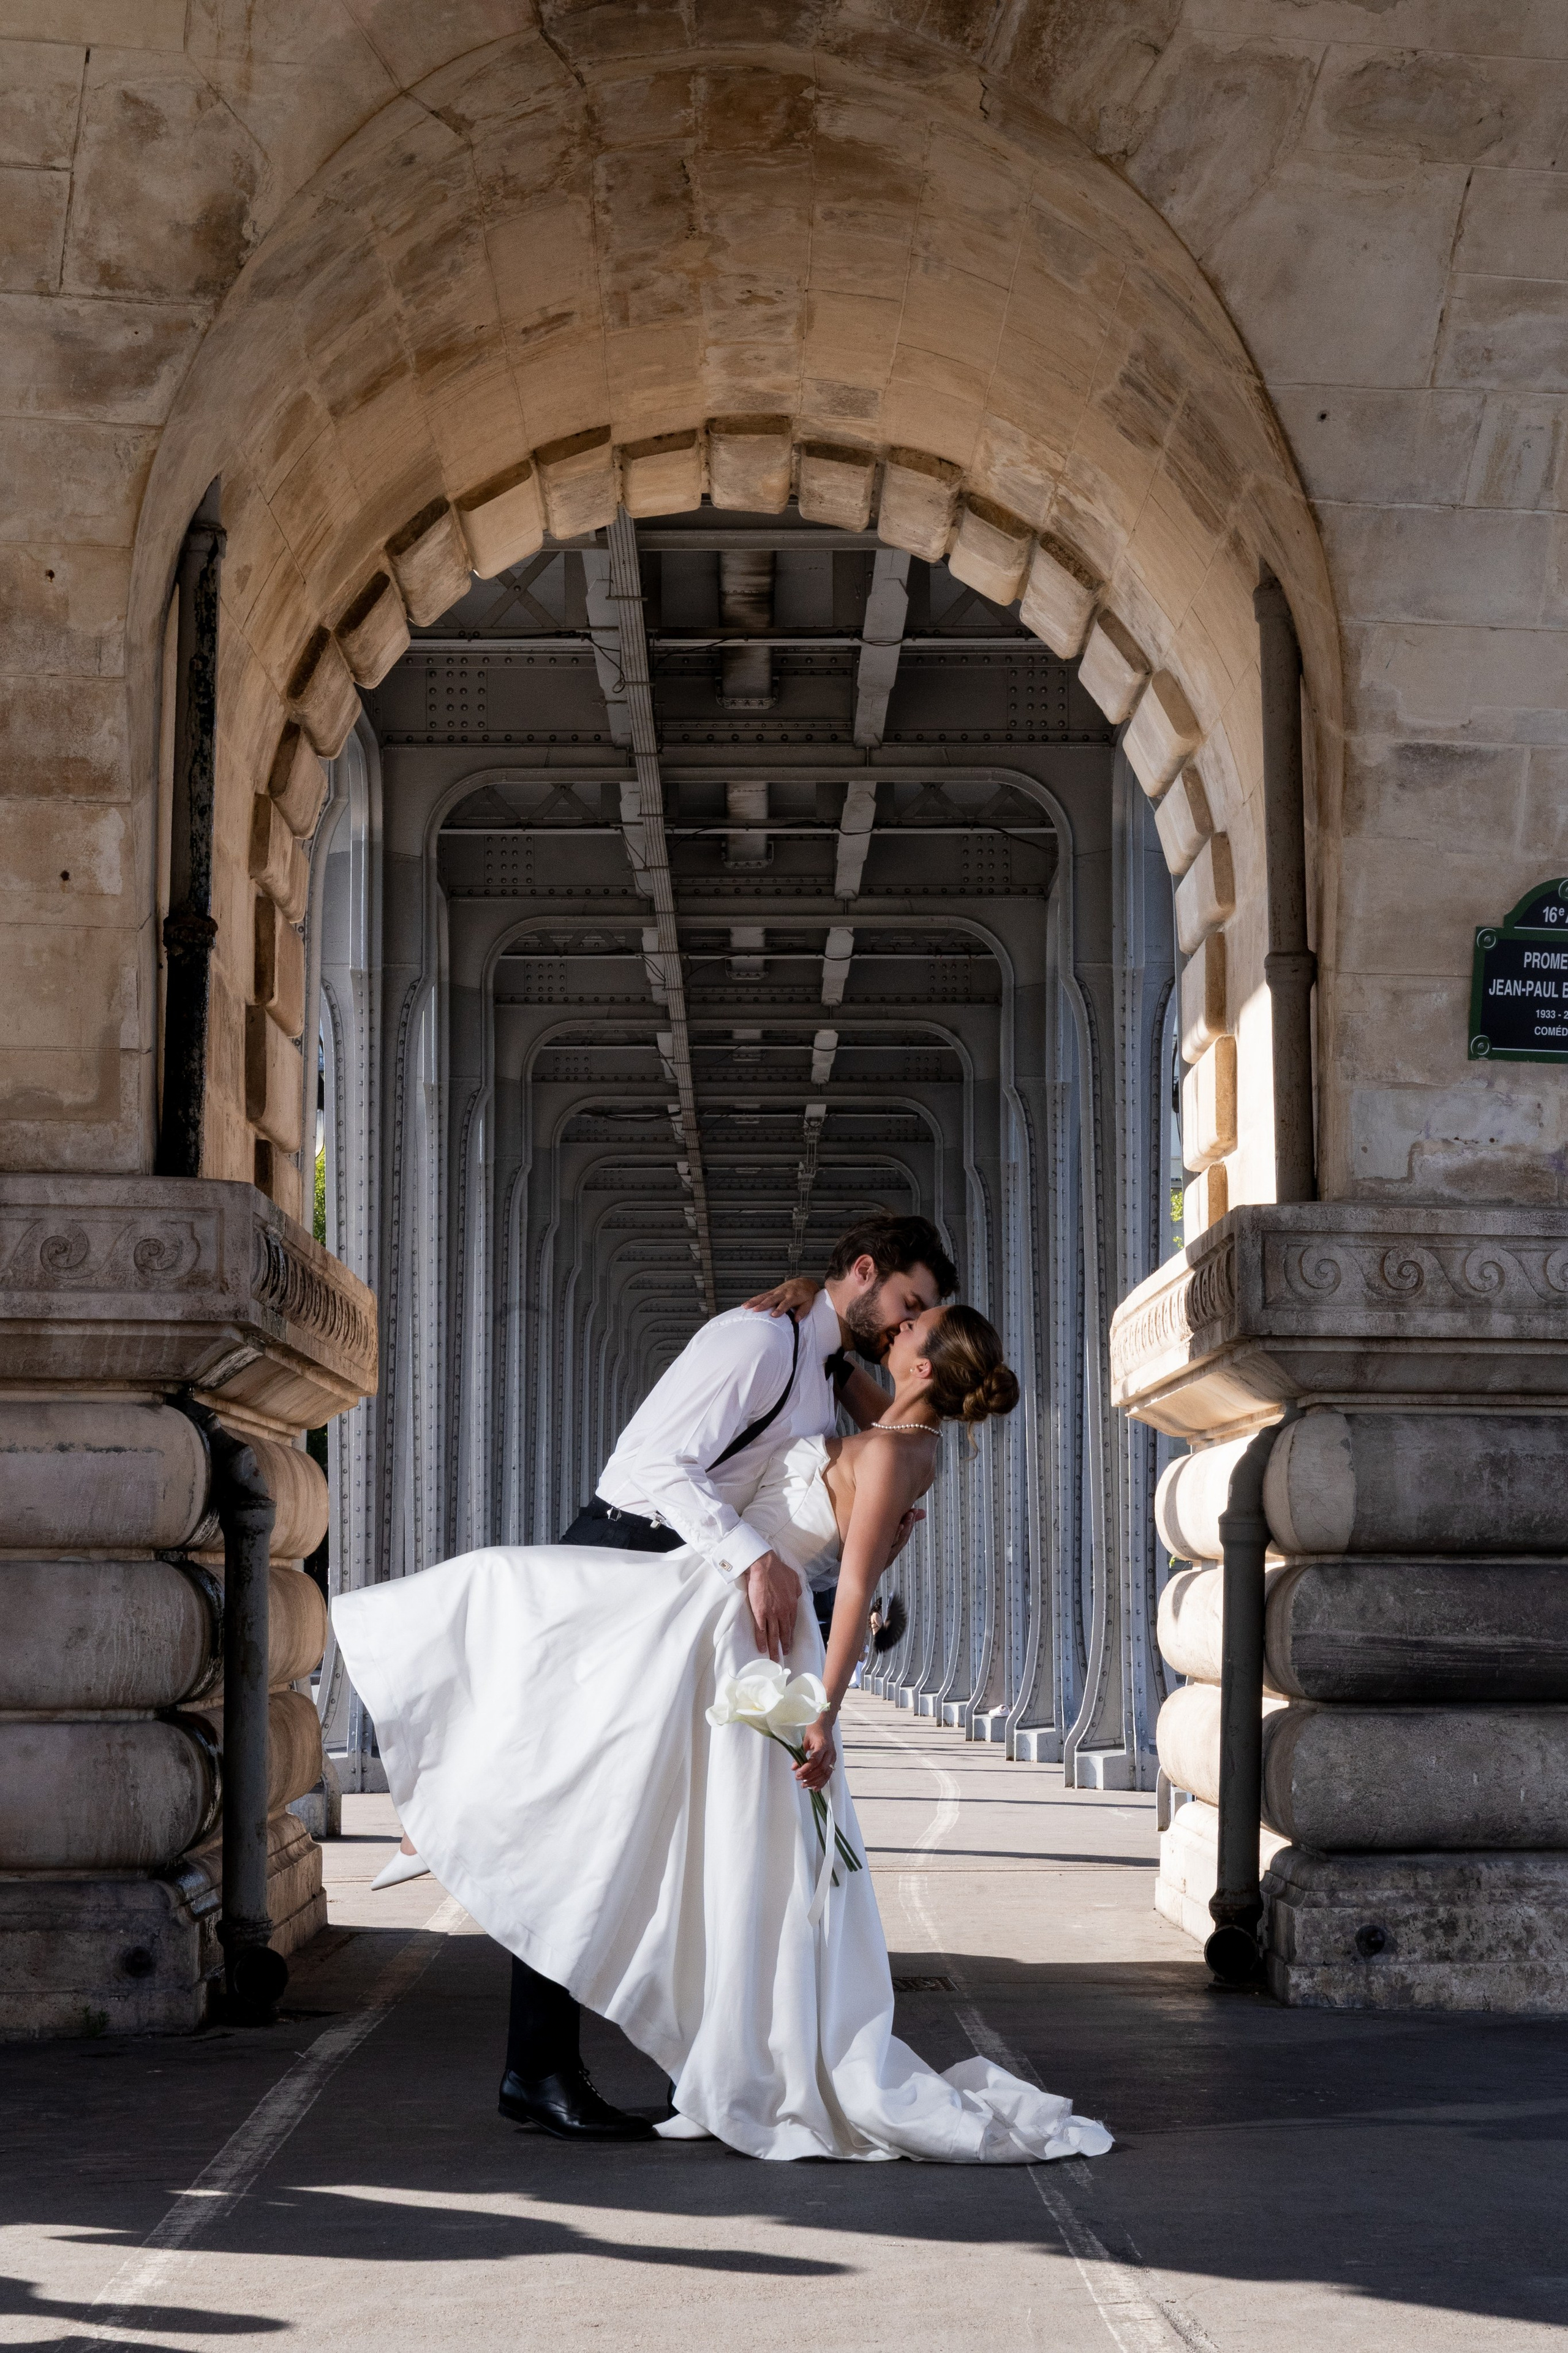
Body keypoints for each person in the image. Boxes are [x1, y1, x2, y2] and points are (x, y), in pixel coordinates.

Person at [333, 1281, 1113, 2164]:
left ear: (924, 1362)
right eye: (906, 1305)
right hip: (712, 1605)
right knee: (548, 1662)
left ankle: (714, 2046)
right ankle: (458, 1817)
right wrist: (804, 1299)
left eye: (914, 1326)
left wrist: (822, 1710)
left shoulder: (899, 1447)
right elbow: (845, 1359)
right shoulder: (883, 1415)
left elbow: (853, 1590)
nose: (897, 1327)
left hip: (740, 1629)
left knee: (683, 1815)